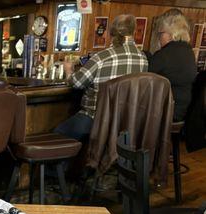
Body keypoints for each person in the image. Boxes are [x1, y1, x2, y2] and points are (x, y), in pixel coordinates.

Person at [55, 14, 148, 142]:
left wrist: (69, 71)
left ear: (111, 32)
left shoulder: (101, 57)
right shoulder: (143, 59)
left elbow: (77, 83)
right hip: (126, 122)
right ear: (133, 31)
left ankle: (68, 161)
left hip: (95, 119)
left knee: (58, 133)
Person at [149, 10, 196, 122]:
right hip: (185, 111)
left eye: (160, 34)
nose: (159, 38)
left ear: (170, 34)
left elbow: (147, 78)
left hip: (168, 113)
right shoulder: (189, 51)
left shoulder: (164, 54)